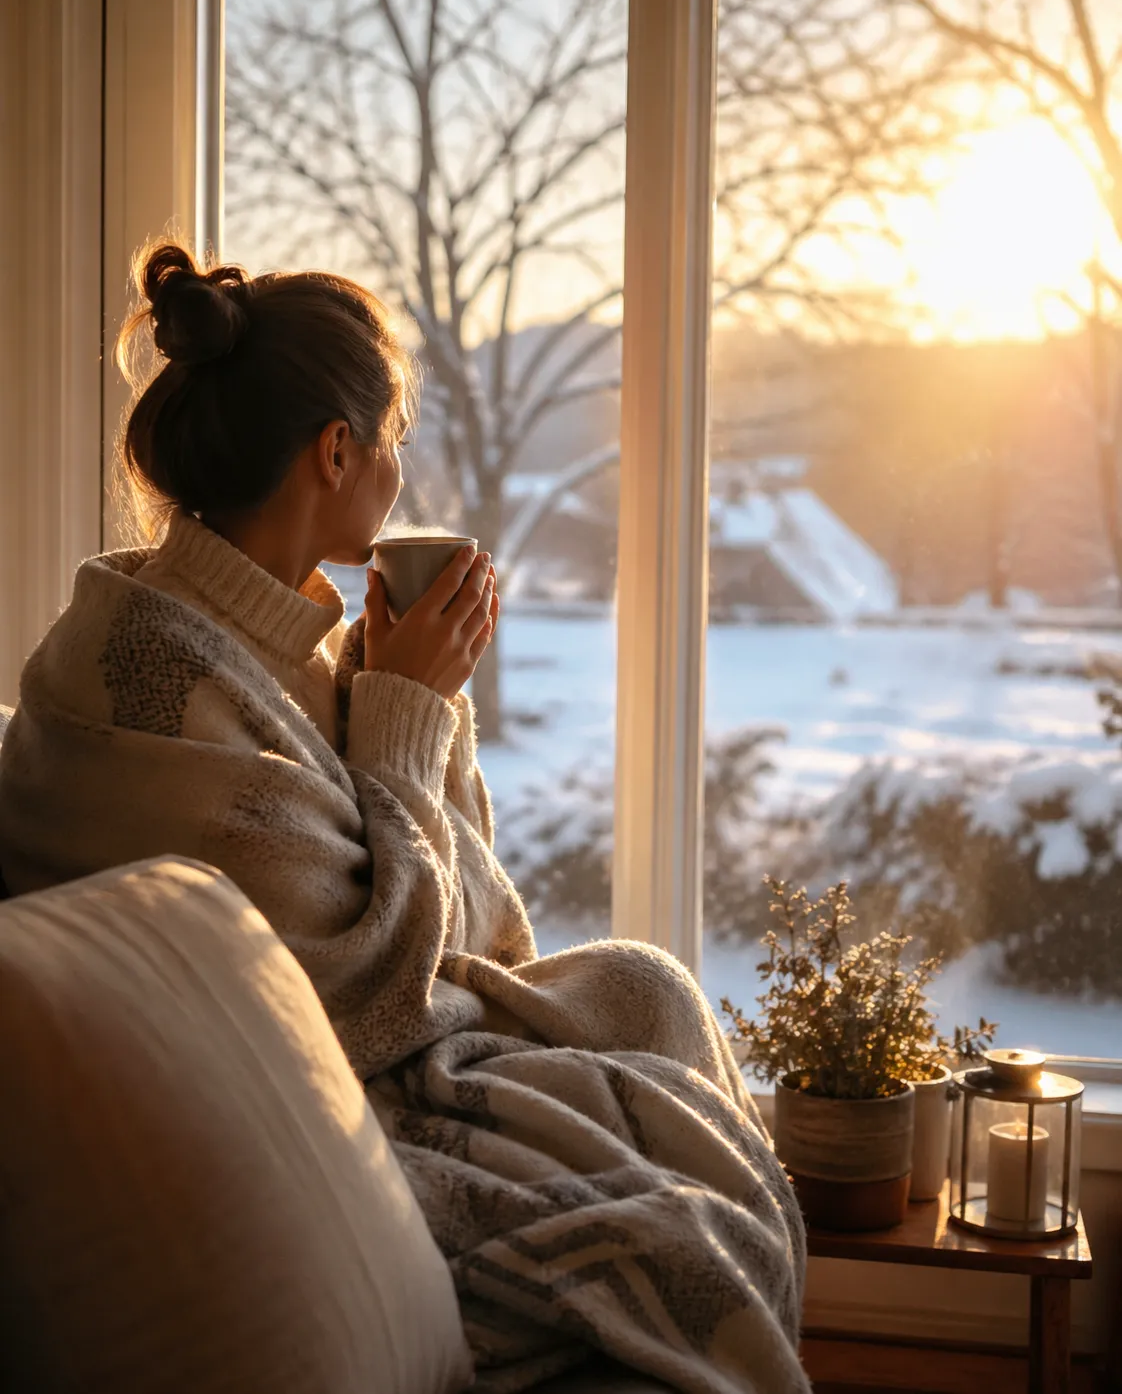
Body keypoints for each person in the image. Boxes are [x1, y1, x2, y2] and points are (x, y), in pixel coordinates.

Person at [0, 243, 808, 1393]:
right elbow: (366, 1000)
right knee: (668, 1167)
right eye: (393, 440)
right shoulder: (140, 669)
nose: (398, 466)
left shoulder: (281, 646)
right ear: (338, 451)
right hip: (324, 1080)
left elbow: (474, 934)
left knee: (645, 985)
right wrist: (402, 719)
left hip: (391, 1015)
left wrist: (409, 705)